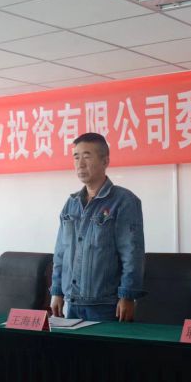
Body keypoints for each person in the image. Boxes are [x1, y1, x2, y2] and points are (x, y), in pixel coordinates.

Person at [50, 133, 145, 322]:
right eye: (76, 157)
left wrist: (127, 295)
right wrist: (57, 291)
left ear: (105, 161)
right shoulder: (71, 204)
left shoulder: (123, 201)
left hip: (107, 305)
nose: (80, 164)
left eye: (87, 156)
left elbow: (132, 253)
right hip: (72, 302)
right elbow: (61, 253)